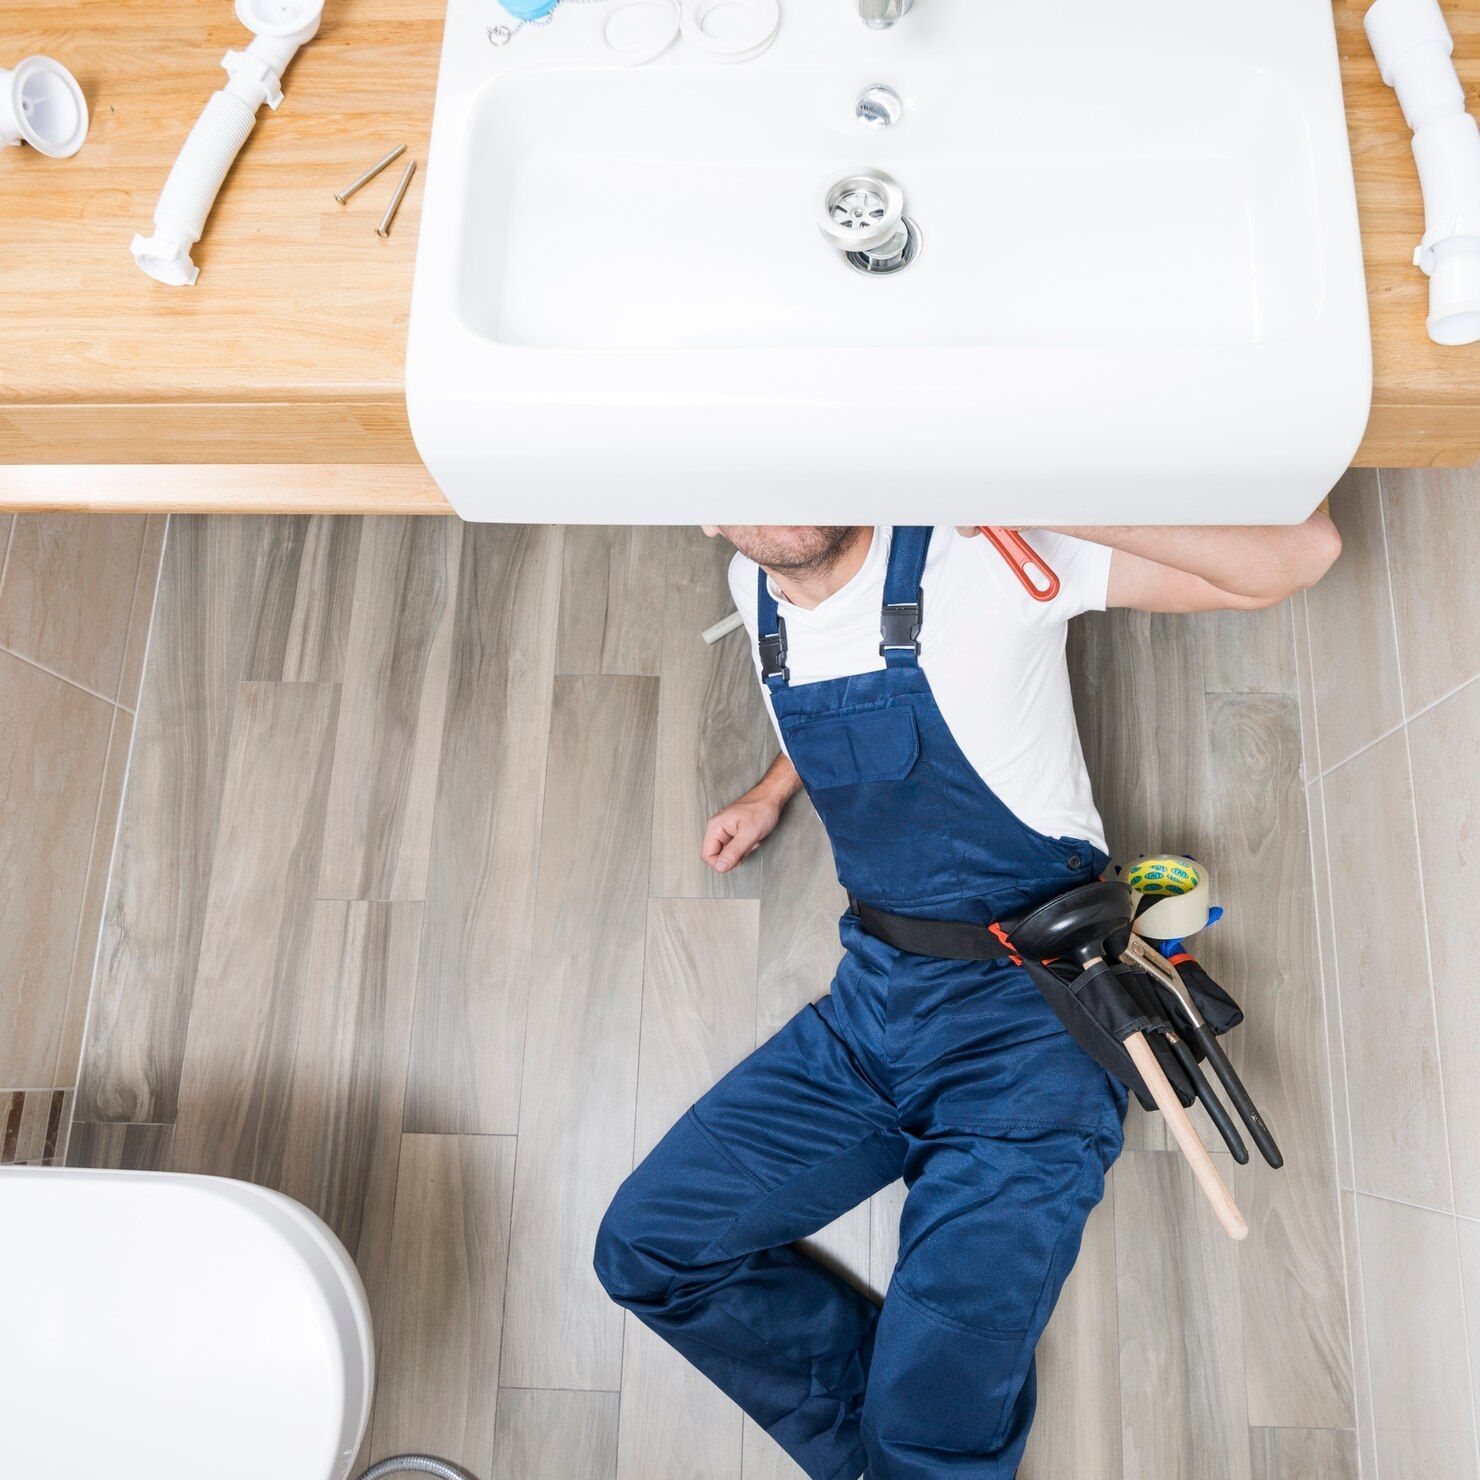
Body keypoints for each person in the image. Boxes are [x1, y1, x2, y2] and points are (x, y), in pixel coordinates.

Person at [594, 519, 1341, 1480]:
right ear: (706, 515)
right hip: (870, 1014)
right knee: (648, 1250)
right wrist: (774, 788)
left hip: (1032, 1041)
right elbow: (836, 686)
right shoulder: (756, 590)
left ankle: (913, 1449)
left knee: (925, 1440)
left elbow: (1298, 556)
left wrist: (1025, 477)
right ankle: (895, 1453)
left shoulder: (989, 546)